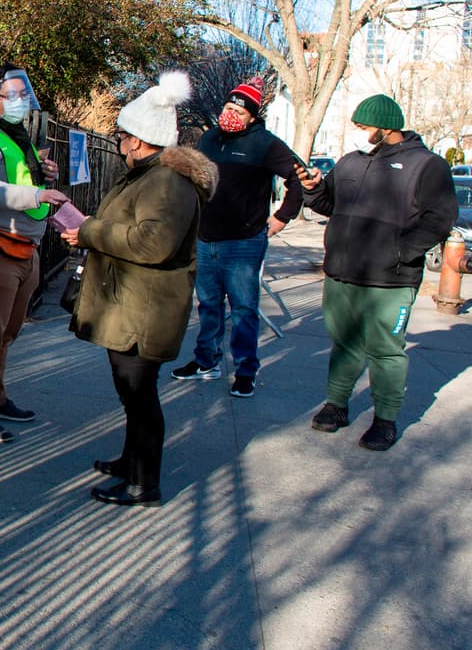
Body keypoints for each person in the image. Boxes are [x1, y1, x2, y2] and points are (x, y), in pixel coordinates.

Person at [61, 72, 217, 506]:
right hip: (133, 304)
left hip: (144, 310)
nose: (119, 141)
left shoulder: (165, 181)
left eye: (123, 135)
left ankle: (144, 482)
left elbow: (154, 242)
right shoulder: (147, 176)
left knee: (140, 395)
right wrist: (89, 231)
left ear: (139, 139)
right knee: (132, 393)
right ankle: (132, 461)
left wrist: (90, 232)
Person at [295, 94, 456, 451]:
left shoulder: (427, 165)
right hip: (341, 273)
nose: (359, 132)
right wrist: (312, 189)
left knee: (385, 350)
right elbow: (327, 204)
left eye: (364, 127)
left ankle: (385, 420)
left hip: (390, 279)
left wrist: (400, 252)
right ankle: (336, 406)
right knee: (344, 342)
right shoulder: (351, 162)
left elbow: (440, 219)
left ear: (386, 128)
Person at [0, 64, 68, 442]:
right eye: (12, 95)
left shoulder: (15, 137)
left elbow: (17, 177)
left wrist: (42, 174)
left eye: (24, 95)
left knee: (7, 332)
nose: (21, 102)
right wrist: (37, 194)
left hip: (23, 246)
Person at [171, 77, 303, 398]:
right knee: (208, 304)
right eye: (228, 108)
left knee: (244, 307)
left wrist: (282, 217)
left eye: (239, 112)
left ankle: (245, 369)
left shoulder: (265, 144)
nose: (231, 114)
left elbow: (300, 177)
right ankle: (206, 361)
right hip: (206, 237)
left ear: (252, 117)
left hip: (244, 242)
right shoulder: (209, 140)